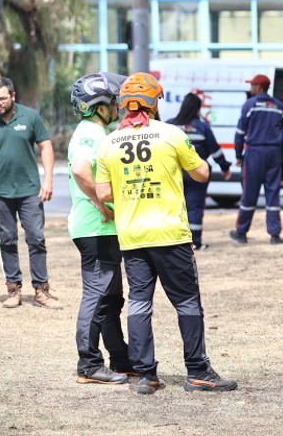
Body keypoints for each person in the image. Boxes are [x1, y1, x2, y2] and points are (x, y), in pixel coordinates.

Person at [96, 72, 236, 395]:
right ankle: (198, 372)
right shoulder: (171, 134)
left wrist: (132, 191)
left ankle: (146, 375)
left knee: (139, 303)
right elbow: (201, 173)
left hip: (132, 236)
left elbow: (103, 193)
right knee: (187, 302)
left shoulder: (109, 143)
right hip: (170, 235)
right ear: (153, 102)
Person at [0, 77, 60, 309]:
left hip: (30, 191)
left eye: (2, 98)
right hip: (0, 192)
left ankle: (41, 291)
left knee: (36, 240)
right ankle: (13, 290)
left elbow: (46, 147)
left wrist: (47, 180)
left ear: (13, 96)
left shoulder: (30, 117)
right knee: (7, 241)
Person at [68, 72, 133, 385]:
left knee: (111, 299)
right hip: (96, 227)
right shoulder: (90, 133)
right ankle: (89, 366)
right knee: (96, 298)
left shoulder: (96, 131)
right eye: (114, 101)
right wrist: (99, 203)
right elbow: (80, 169)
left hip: (104, 230)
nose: (118, 106)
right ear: (99, 105)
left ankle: (121, 360)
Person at [229, 74, 283, 245]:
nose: (250, 88)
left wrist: (238, 155)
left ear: (259, 88)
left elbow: (240, 133)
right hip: (274, 154)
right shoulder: (279, 106)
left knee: (249, 194)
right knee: (273, 194)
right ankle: (275, 235)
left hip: (254, 153)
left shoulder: (249, 105)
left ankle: (241, 232)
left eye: (252, 85)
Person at [168, 93, 233, 250]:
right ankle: (195, 242)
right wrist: (224, 167)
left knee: (175, 207)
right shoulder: (202, 127)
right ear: (198, 109)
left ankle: (175, 242)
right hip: (197, 172)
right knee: (195, 207)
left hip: (173, 172)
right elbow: (215, 151)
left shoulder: (170, 126)